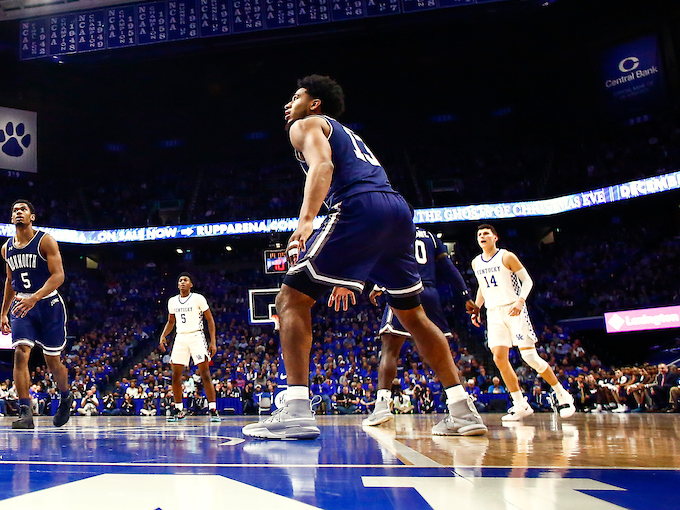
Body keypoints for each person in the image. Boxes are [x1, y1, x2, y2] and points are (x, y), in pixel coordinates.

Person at [244, 76, 486, 440]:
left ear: (314, 104)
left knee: (290, 299)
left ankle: (295, 409)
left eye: (295, 97)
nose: (287, 104)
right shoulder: (348, 134)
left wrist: (306, 223)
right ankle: (462, 410)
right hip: (397, 210)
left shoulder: (305, 125)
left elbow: (322, 168)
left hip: (358, 207)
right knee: (414, 316)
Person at [469, 224, 576, 420]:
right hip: (493, 313)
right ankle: (520, 404)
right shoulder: (476, 263)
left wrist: (520, 301)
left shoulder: (506, 256)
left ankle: (562, 394)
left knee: (530, 358)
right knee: (499, 358)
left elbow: (527, 281)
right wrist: (477, 308)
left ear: (495, 238)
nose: (482, 236)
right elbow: (482, 287)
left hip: (514, 309)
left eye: (486, 233)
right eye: (479, 234)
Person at [364, 227, 468, 426]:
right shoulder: (430, 237)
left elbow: (385, 263)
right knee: (442, 351)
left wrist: (378, 286)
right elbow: (449, 267)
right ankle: (461, 405)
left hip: (405, 290)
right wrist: (465, 295)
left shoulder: (393, 232)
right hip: (430, 293)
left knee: (389, 350)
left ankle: (382, 406)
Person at [0, 200, 72, 429]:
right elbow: (10, 281)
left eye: (23, 209)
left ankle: (66, 396)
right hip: (21, 305)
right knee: (21, 353)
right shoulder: (6, 248)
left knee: (53, 361)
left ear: (32, 216)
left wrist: (35, 297)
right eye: (14, 210)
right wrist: (3, 313)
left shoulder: (45, 240)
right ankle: (25, 412)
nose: (18, 212)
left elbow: (58, 276)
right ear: (11, 218)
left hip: (48, 305)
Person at [158, 272, 219, 423]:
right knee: (175, 376)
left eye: (186, 280)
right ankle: (179, 409)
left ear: (191, 284)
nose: (182, 282)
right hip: (180, 337)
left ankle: (212, 409)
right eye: (180, 280)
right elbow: (171, 322)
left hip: (196, 336)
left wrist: (213, 341)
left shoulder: (198, 298)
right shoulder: (172, 301)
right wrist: (163, 335)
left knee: (205, 373)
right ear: (178, 284)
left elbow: (210, 320)